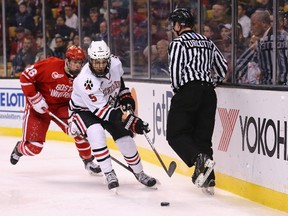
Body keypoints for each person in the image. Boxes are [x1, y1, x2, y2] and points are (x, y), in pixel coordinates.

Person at [68, 40, 157, 190]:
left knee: (126, 139)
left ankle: (140, 173)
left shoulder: (116, 64)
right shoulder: (86, 80)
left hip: (108, 106)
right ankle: (109, 173)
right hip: (84, 111)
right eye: (96, 62)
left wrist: (126, 98)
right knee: (96, 133)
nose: (100, 66)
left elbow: (119, 84)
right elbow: (103, 112)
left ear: (109, 59)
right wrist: (131, 121)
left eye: (103, 62)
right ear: (90, 60)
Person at [10, 46, 101, 176]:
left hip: (63, 107)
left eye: (80, 63)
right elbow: (25, 76)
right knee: (34, 148)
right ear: (67, 60)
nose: (77, 66)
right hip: (39, 108)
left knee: (79, 131)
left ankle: (88, 160)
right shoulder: (50, 65)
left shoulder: (84, 76)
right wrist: (34, 98)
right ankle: (19, 148)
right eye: (74, 62)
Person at [166, 8, 227, 193]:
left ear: (179, 24)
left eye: (173, 24)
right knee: (203, 139)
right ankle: (208, 181)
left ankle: (198, 158)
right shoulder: (208, 41)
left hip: (188, 91)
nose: (172, 28)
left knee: (175, 135)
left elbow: (175, 74)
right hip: (208, 93)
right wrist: (209, 85)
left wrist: (182, 91)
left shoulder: (178, 43)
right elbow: (223, 69)